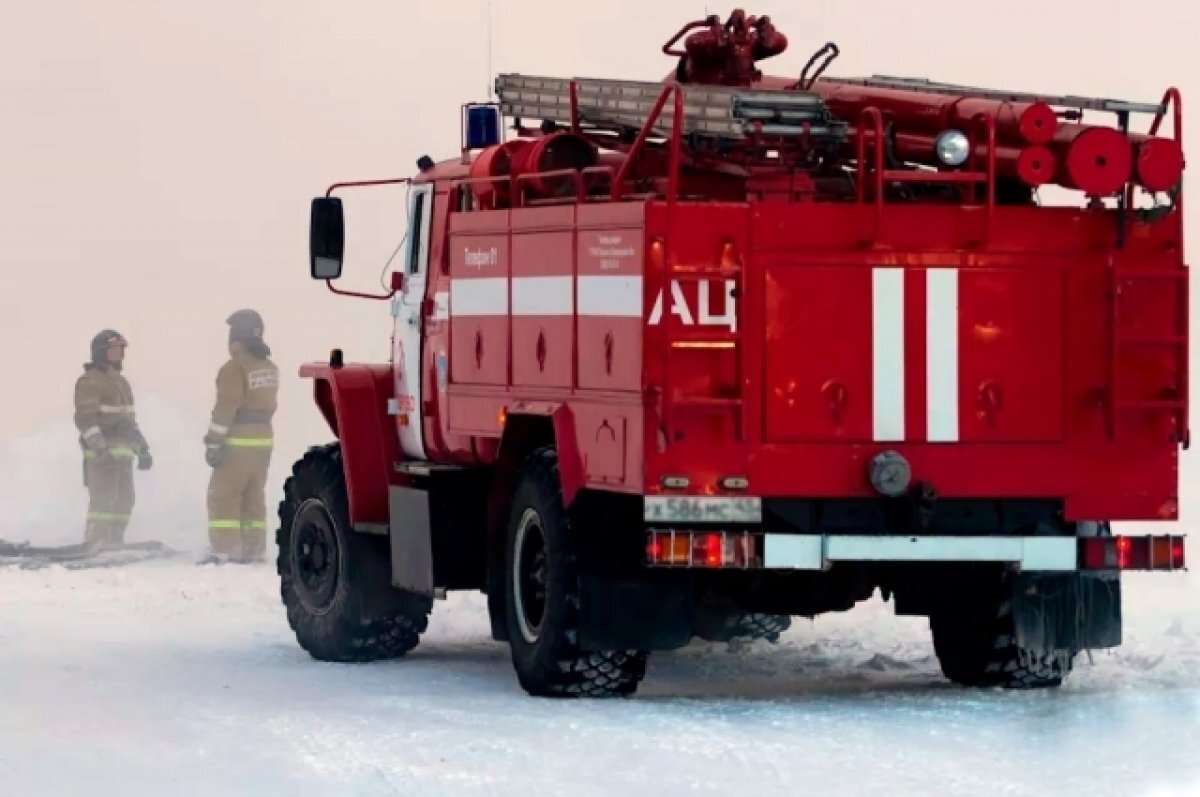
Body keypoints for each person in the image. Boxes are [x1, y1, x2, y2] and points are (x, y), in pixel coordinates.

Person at [201, 309, 280, 564]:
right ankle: (253, 549)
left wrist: (213, 442)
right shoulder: (269, 367)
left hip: (238, 442)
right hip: (263, 441)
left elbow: (226, 407)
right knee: (253, 497)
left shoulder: (234, 368)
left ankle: (225, 550)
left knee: (223, 495)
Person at [73, 329, 153, 549]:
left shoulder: (122, 383)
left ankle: (115, 542)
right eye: (114, 350)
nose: (119, 354)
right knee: (103, 503)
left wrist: (142, 449)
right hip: (101, 457)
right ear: (101, 353)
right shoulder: (90, 381)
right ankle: (95, 542)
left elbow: (129, 422)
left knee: (125, 502)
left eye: (121, 350)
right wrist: (101, 450)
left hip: (123, 456)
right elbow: (85, 420)